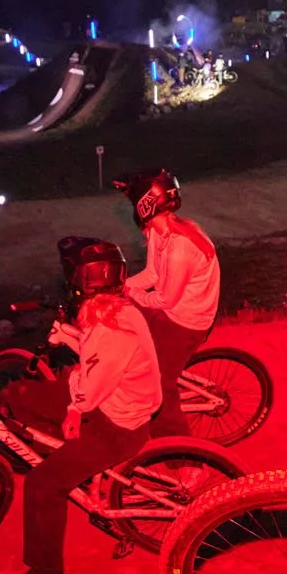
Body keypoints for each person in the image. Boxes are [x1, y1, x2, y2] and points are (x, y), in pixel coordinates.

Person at [2, 237, 163, 574]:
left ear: (82, 279)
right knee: (21, 396)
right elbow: (98, 357)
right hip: (115, 405)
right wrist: (71, 336)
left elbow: (89, 391)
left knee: (43, 483)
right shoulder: (118, 310)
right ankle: (52, 452)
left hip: (117, 427)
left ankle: (48, 572)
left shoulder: (109, 327)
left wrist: (74, 409)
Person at [114, 168, 220, 437]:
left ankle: (183, 457)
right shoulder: (159, 231)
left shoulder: (179, 247)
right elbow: (151, 275)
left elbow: (164, 299)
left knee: (160, 383)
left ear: (146, 204)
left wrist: (130, 294)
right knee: (124, 323)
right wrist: (120, 287)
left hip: (186, 323)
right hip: (173, 312)